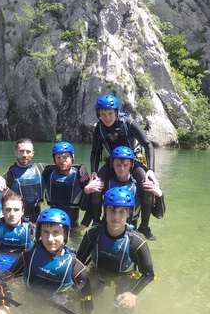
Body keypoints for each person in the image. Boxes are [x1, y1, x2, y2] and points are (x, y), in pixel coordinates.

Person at [4, 208, 93, 314]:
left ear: (66, 234)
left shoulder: (75, 267)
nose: (50, 239)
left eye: (56, 232)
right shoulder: (28, 256)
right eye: (46, 232)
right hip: (31, 300)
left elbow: (87, 297)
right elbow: (5, 277)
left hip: (59, 303)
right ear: (39, 233)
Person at [90, 94, 160, 240]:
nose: (107, 118)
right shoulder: (99, 128)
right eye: (103, 114)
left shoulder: (128, 123)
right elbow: (95, 152)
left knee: (147, 187)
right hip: (113, 162)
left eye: (110, 113)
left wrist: (151, 170)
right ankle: (97, 222)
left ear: (116, 112)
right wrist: (94, 172)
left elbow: (148, 144)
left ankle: (144, 226)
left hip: (133, 161)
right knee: (96, 186)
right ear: (98, 115)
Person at [76, 188, 155, 309]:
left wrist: (133, 294)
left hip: (124, 276)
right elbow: (78, 262)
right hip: (98, 272)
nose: (115, 216)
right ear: (105, 210)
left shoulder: (137, 243)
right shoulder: (93, 234)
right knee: (82, 299)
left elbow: (148, 275)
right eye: (111, 210)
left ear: (130, 213)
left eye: (122, 211)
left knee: (124, 308)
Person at [41, 141, 103, 227]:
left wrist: (84, 225)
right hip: (52, 223)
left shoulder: (81, 176)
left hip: (72, 226)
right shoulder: (47, 172)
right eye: (58, 157)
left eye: (65, 157)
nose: (62, 160)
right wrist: (80, 165)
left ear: (72, 157)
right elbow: (30, 166)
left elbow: (90, 206)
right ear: (54, 159)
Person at [80, 145, 139, 229]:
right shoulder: (106, 183)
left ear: (131, 164)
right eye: (118, 165)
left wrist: (159, 195)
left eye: (125, 165)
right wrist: (87, 191)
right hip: (108, 224)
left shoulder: (138, 185)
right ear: (112, 164)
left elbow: (158, 213)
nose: (121, 169)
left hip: (130, 226)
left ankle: (145, 227)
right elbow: (86, 207)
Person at [0, 192, 35, 272]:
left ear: (23, 212)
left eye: (16, 210)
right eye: (8, 210)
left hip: (21, 272)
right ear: (2, 211)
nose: (12, 214)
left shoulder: (32, 233)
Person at [2, 138, 46, 221]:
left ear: (33, 154)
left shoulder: (41, 169)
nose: (25, 155)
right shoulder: (9, 175)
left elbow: (64, 167)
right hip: (17, 219)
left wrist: (79, 169)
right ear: (16, 153)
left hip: (38, 217)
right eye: (21, 151)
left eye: (28, 151)